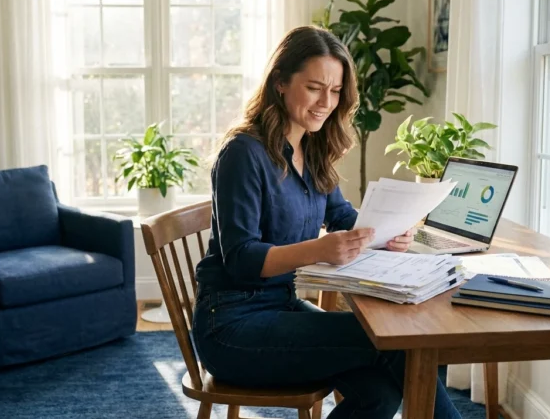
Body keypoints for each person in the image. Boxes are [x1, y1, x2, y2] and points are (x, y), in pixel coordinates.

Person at [191, 25, 462, 419]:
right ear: (280, 82)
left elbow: (342, 217)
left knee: (381, 393)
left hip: (281, 306)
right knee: (395, 342)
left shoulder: (312, 148)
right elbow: (241, 258)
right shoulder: (242, 154)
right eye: (315, 88)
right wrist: (319, 249)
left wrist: (386, 234)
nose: (326, 102)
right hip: (231, 326)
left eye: (335, 92)